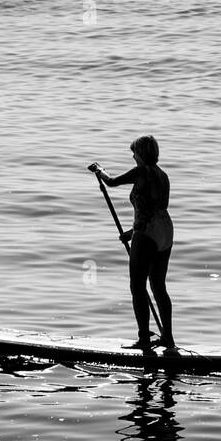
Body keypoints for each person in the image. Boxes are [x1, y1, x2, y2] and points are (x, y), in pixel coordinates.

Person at [91, 135, 175, 351]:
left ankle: (144, 340)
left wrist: (99, 170)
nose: (133, 156)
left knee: (137, 287)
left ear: (141, 154)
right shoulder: (163, 176)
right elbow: (155, 208)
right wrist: (131, 233)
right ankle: (168, 338)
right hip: (165, 230)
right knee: (158, 287)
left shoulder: (141, 171)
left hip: (146, 233)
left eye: (134, 152)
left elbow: (111, 182)